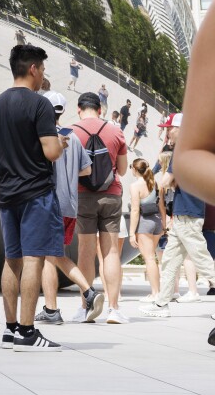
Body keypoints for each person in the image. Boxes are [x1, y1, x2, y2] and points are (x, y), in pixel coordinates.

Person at [0, 44, 67, 352]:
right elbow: (51, 152)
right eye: (43, 69)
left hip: (7, 194)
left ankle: (9, 330)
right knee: (34, 259)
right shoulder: (40, 105)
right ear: (33, 68)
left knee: (12, 260)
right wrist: (60, 143)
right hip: (36, 193)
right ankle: (29, 331)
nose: (43, 75)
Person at [33, 92, 105, 326]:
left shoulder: (44, 135)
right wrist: (68, 171)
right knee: (53, 254)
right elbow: (86, 170)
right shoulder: (70, 135)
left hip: (49, 203)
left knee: (50, 255)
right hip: (70, 205)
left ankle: (83, 294)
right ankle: (53, 307)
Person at [69, 92, 130, 323]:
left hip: (82, 196)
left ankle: (86, 307)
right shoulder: (116, 131)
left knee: (85, 250)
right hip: (111, 195)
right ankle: (114, 309)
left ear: (78, 109)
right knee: (111, 251)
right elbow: (122, 170)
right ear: (100, 109)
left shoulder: (70, 131)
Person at [140, 160, 215, 318]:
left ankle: (161, 303)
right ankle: (161, 303)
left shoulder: (182, 153)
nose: (168, 135)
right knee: (169, 260)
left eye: (169, 133)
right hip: (185, 215)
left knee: (203, 260)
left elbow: (165, 182)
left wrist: (172, 180)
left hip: (187, 215)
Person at [127, 158, 167, 302]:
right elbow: (162, 206)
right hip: (157, 221)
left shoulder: (135, 186)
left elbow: (135, 210)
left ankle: (155, 294)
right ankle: (156, 292)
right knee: (153, 258)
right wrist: (163, 225)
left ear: (135, 170)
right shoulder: (155, 184)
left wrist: (131, 233)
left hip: (145, 223)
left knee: (149, 258)